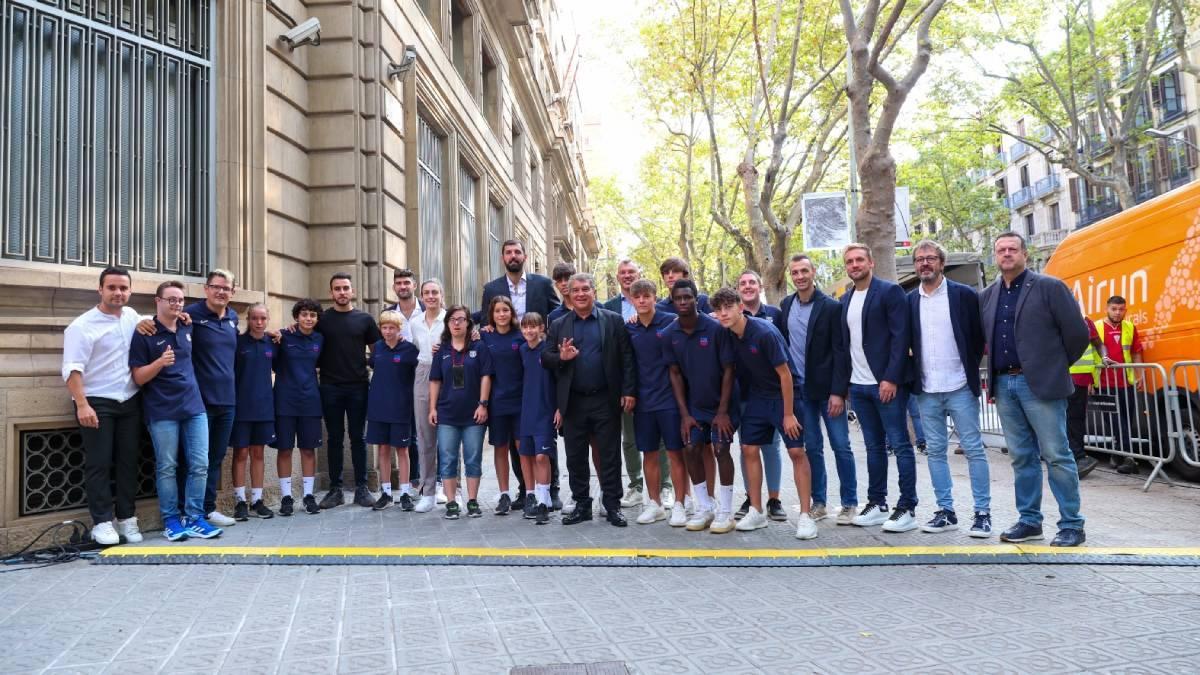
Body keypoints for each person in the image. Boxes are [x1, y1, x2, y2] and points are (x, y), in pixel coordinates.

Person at [981, 231, 1088, 547]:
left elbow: (1077, 335)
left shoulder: (1049, 287)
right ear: (995, 256)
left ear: (1024, 254)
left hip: (1039, 384)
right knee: (1021, 457)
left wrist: (1053, 367)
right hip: (1004, 383)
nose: (1007, 254)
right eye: (1001, 249)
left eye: (1013, 248)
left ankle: (1072, 524)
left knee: (1056, 454)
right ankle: (1029, 521)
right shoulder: (987, 295)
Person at [136, 270, 241, 527]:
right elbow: (161, 320)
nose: (221, 292)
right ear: (206, 289)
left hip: (226, 399)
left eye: (226, 288)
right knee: (181, 462)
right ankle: (182, 513)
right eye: (216, 287)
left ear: (232, 292)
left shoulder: (233, 318)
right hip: (195, 401)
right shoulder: (190, 315)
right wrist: (141, 321)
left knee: (211, 460)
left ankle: (205, 509)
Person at [711, 288, 817, 538]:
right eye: (719, 309)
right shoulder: (727, 334)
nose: (723, 313)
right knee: (748, 449)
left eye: (728, 307)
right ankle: (756, 510)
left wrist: (789, 414)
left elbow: (786, 375)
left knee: (796, 451)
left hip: (786, 395)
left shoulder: (764, 332)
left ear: (740, 307)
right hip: (758, 397)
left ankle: (805, 516)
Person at [907, 240, 992, 537]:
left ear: (942, 263)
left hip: (959, 386)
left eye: (930, 258)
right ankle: (946, 511)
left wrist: (971, 364)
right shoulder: (909, 301)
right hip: (927, 390)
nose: (925, 263)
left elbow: (980, 336)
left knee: (974, 450)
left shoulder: (965, 296)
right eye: (920, 259)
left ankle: (982, 513)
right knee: (935, 453)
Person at [543, 273, 638, 527]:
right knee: (575, 456)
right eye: (576, 290)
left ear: (594, 292)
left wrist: (628, 391)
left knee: (609, 455)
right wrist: (561, 357)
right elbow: (545, 358)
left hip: (606, 399)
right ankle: (582, 504)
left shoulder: (613, 321)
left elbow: (626, 359)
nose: (581, 294)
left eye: (586, 289)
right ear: (569, 295)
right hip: (573, 402)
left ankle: (612, 505)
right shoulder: (559, 324)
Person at [129, 280, 220, 541]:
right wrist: (159, 363)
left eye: (180, 300)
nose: (177, 304)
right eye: (171, 299)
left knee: (200, 464)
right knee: (168, 466)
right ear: (157, 301)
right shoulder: (144, 332)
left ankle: (194, 517)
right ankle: (171, 519)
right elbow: (138, 378)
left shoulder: (186, 325)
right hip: (162, 410)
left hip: (194, 406)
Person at [62, 267, 144, 546]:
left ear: (130, 291)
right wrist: (82, 405)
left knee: (127, 462)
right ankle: (102, 523)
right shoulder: (82, 326)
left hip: (130, 401)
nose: (118, 292)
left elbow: (155, 322)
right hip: (96, 402)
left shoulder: (132, 317)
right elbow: (72, 370)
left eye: (123, 288)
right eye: (112, 287)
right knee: (99, 464)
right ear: (100, 289)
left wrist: (181, 314)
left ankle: (126, 519)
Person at [840, 243, 917, 533]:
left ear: (871, 262)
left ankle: (907, 507)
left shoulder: (889, 292)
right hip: (858, 387)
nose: (855, 264)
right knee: (873, 447)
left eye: (860, 259)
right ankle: (877, 502)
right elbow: (847, 345)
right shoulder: (847, 299)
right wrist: (847, 383)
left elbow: (901, 338)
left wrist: (891, 378)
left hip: (886, 385)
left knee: (900, 444)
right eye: (850, 261)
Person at [779, 254, 856, 526]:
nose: (799, 276)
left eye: (804, 271)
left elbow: (840, 351)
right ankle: (819, 502)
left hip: (828, 392)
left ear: (813, 272)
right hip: (801, 392)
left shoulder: (832, 307)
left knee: (841, 446)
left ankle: (849, 503)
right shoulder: (785, 305)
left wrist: (838, 391)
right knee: (812, 448)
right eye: (795, 272)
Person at [663, 279, 739, 533]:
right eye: (678, 298)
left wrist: (723, 411)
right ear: (672, 301)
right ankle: (704, 507)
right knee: (691, 447)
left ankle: (726, 512)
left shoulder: (716, 329)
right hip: (694, 407)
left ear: (697, 299)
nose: (683, 302)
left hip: (721, 405)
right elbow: (674, 374)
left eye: (688, 297)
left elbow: (729, 369)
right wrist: (684, 414)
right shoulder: (670, 334)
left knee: (720, 449)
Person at [604, 259, 669, 509]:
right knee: (629, 439)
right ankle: (635, 485)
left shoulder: (660, 311)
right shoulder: (608, 307)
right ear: (617, 277)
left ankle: (665, 486)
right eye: (623, 273)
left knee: (660, 439)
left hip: (657, 384)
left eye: (632, 272)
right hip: (625, 385)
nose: (627, 276)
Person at [316, 273, 383, 510]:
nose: (342, 292)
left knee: (358, 438)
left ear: (352, 291)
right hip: (330, 386)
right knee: (334, 439)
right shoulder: (322, 320)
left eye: (345, 288)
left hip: (358, 386)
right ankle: (335, 490)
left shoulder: (364, 319)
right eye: (337, 288)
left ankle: (361, 489)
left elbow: (378, 352)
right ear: (331, 292)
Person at [625, 279, 689, 526]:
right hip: (643, 402)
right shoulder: (628, 327)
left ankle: (681, 505)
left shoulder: (671, 323)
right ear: (632, 300)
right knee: (648, 454)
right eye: (637, 297)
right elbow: (627, 363)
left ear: (655, 297)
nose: (642, 300)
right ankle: (654, 504)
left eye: (646, 296)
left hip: (670, 400)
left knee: (675, 453)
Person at [428, 305, 493, 519]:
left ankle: (472, 501)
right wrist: (432, 408)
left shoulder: (479, 347)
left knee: (473, 458)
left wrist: (483, 404)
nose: (457, 323)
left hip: (473, 414)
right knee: (447, 459)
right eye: (452, 319)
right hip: (447, 414)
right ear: (447, 324)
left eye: (461, 319)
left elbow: (486, 376)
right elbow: (435, 380)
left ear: (468, 323)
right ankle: (452, 503)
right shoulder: (442, 350)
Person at [735, 270, 786, 521]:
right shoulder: (732, 318)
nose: (747, 286)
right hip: (743, 394)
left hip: (771, 393)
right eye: (742, 283)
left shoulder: (775, 315)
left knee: (772, 446)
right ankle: (750, 497)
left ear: (760, 286)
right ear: (737, 290)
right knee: (747, 448)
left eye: (751, 282)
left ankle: (774, 499)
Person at [274, 299, 325, 516]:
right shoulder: (283, 336)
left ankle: (308, 496)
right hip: (285, 400)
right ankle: (286, 497)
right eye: (304, 314)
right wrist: (273, 333)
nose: (308, 318)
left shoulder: (320, 339)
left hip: (310, 401)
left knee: (308, 449)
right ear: (297, 317)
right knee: (284, 449)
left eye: (313, 315)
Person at [368, 311, 420, 510]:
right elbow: (373, 365)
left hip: (401, 407)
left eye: (392, 328)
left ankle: (405, 492)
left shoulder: (409, 350)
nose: (388, 331)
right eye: (384, 327)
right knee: (382, 449)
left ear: (400, 330)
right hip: (378, 406)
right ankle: (386, 492)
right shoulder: (378, 348)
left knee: (403, 450)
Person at [231, 303, 277, 521]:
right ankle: (240, 500)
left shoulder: (273, 343)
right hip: (241, 406)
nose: (259, 323)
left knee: (258, 453)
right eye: (254, 318)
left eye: (263, 319)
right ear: (247, 320)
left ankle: (257, 500)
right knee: (240, 453)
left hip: (264, 407)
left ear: (268, 320)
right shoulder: (238, 343)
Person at [480, 296, 525, 514]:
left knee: (522, 448)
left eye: (505, 310)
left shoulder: (521, 335)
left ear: (511, 312)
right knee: (500, 448)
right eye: (497, 311)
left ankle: (531, 494)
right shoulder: (485, 336)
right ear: (492, 314)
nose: (501, 315)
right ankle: (504, 494)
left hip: (520, 401)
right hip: (497, 403)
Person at [518, 312, 559, 524]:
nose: (529, 331)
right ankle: (532, 497)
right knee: (527, 455)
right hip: (526, 410)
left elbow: (560, 380)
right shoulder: (522, 350)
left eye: (533, 327)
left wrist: (559, 408)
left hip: (546, 410)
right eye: (525, 327)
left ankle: (545, 501)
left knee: (542, 456)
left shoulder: (549, 351)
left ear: (542, 328)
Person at [409, 279, 447, 513]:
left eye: (435, 292)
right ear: (421, 296)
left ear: (442, 295)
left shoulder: (450, 318)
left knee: (451, 434)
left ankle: (454, 490)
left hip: (449, 372)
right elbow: (416, 347)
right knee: (424, 435)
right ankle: (428, 491)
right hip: (424, 372)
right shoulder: (415, 323)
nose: (431, 296)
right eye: (426, 293)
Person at [385, 268, 424, 490]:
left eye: (406, 283)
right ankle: (412, 478)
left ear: (414, 285)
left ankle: (435, 480)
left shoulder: (428, 309)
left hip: (425, 375)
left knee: (426, 429)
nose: (403, 287)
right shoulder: (389, 314)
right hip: (399, 378)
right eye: (399, 283)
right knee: (408, 431)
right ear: (394, 288)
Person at [1097, 295, 1145, 475]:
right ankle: (1128, 458)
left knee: (1126, 420)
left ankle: (1117, 455)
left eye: (1121, 309)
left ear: (1125, 310)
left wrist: (1140, 375)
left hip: (1126, 383)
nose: (1117, 313)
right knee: (1116, 421)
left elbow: (1136, 353)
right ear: (1107, 309)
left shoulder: (1130, 327)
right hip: (1104, 384)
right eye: (1114, 309)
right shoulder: (1097, 327)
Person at [479, 239, 561, 322]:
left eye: (517, 252)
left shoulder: (543, 284)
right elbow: (485, 322)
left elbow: (558, 313)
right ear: (502, 258)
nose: (513, 256)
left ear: (525, 257)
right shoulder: (491, 289)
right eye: (508, 252)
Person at [1067, 317, 1105, 478]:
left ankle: (1078, 457)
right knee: (1067, 419)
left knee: (1075, 418)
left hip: (1079, 378)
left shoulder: (1085, 321)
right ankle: (1076, 457)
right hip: (1060, 377)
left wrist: (1104, 357)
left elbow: (1098, 344)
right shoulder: (1053, 317)